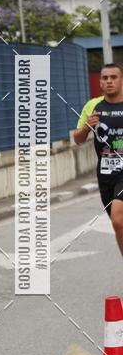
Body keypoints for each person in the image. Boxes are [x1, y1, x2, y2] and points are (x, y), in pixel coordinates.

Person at [74, 63, 123, 254]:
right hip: (105, 175)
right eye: (105, 78)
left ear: (121, 80)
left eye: (114, 77)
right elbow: (78, 139)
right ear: (100, 82)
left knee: (118, 219)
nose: (109, 81)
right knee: (119, 224)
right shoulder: (92, 106)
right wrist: (87, 126)